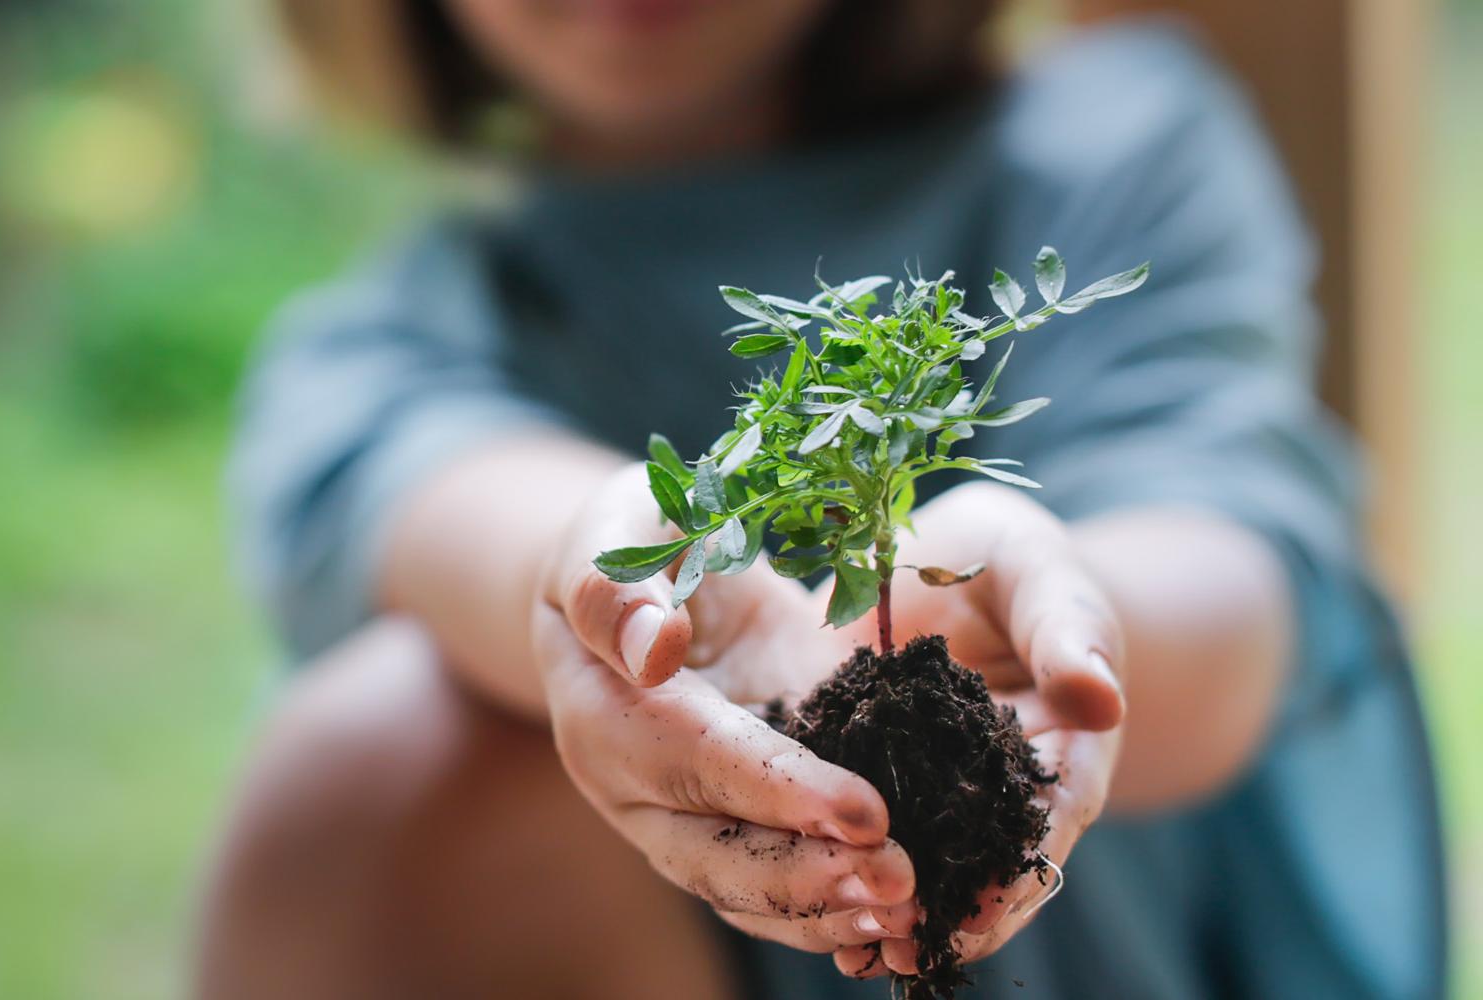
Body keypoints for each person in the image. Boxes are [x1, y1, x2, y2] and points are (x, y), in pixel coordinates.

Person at [194, 3, 1444, 998]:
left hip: (1098, 942)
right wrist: (622, 597)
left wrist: (1061, 612)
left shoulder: (1110, 145)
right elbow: (465, 508)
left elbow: (1228, 562)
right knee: (373, 747)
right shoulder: (383, 346)